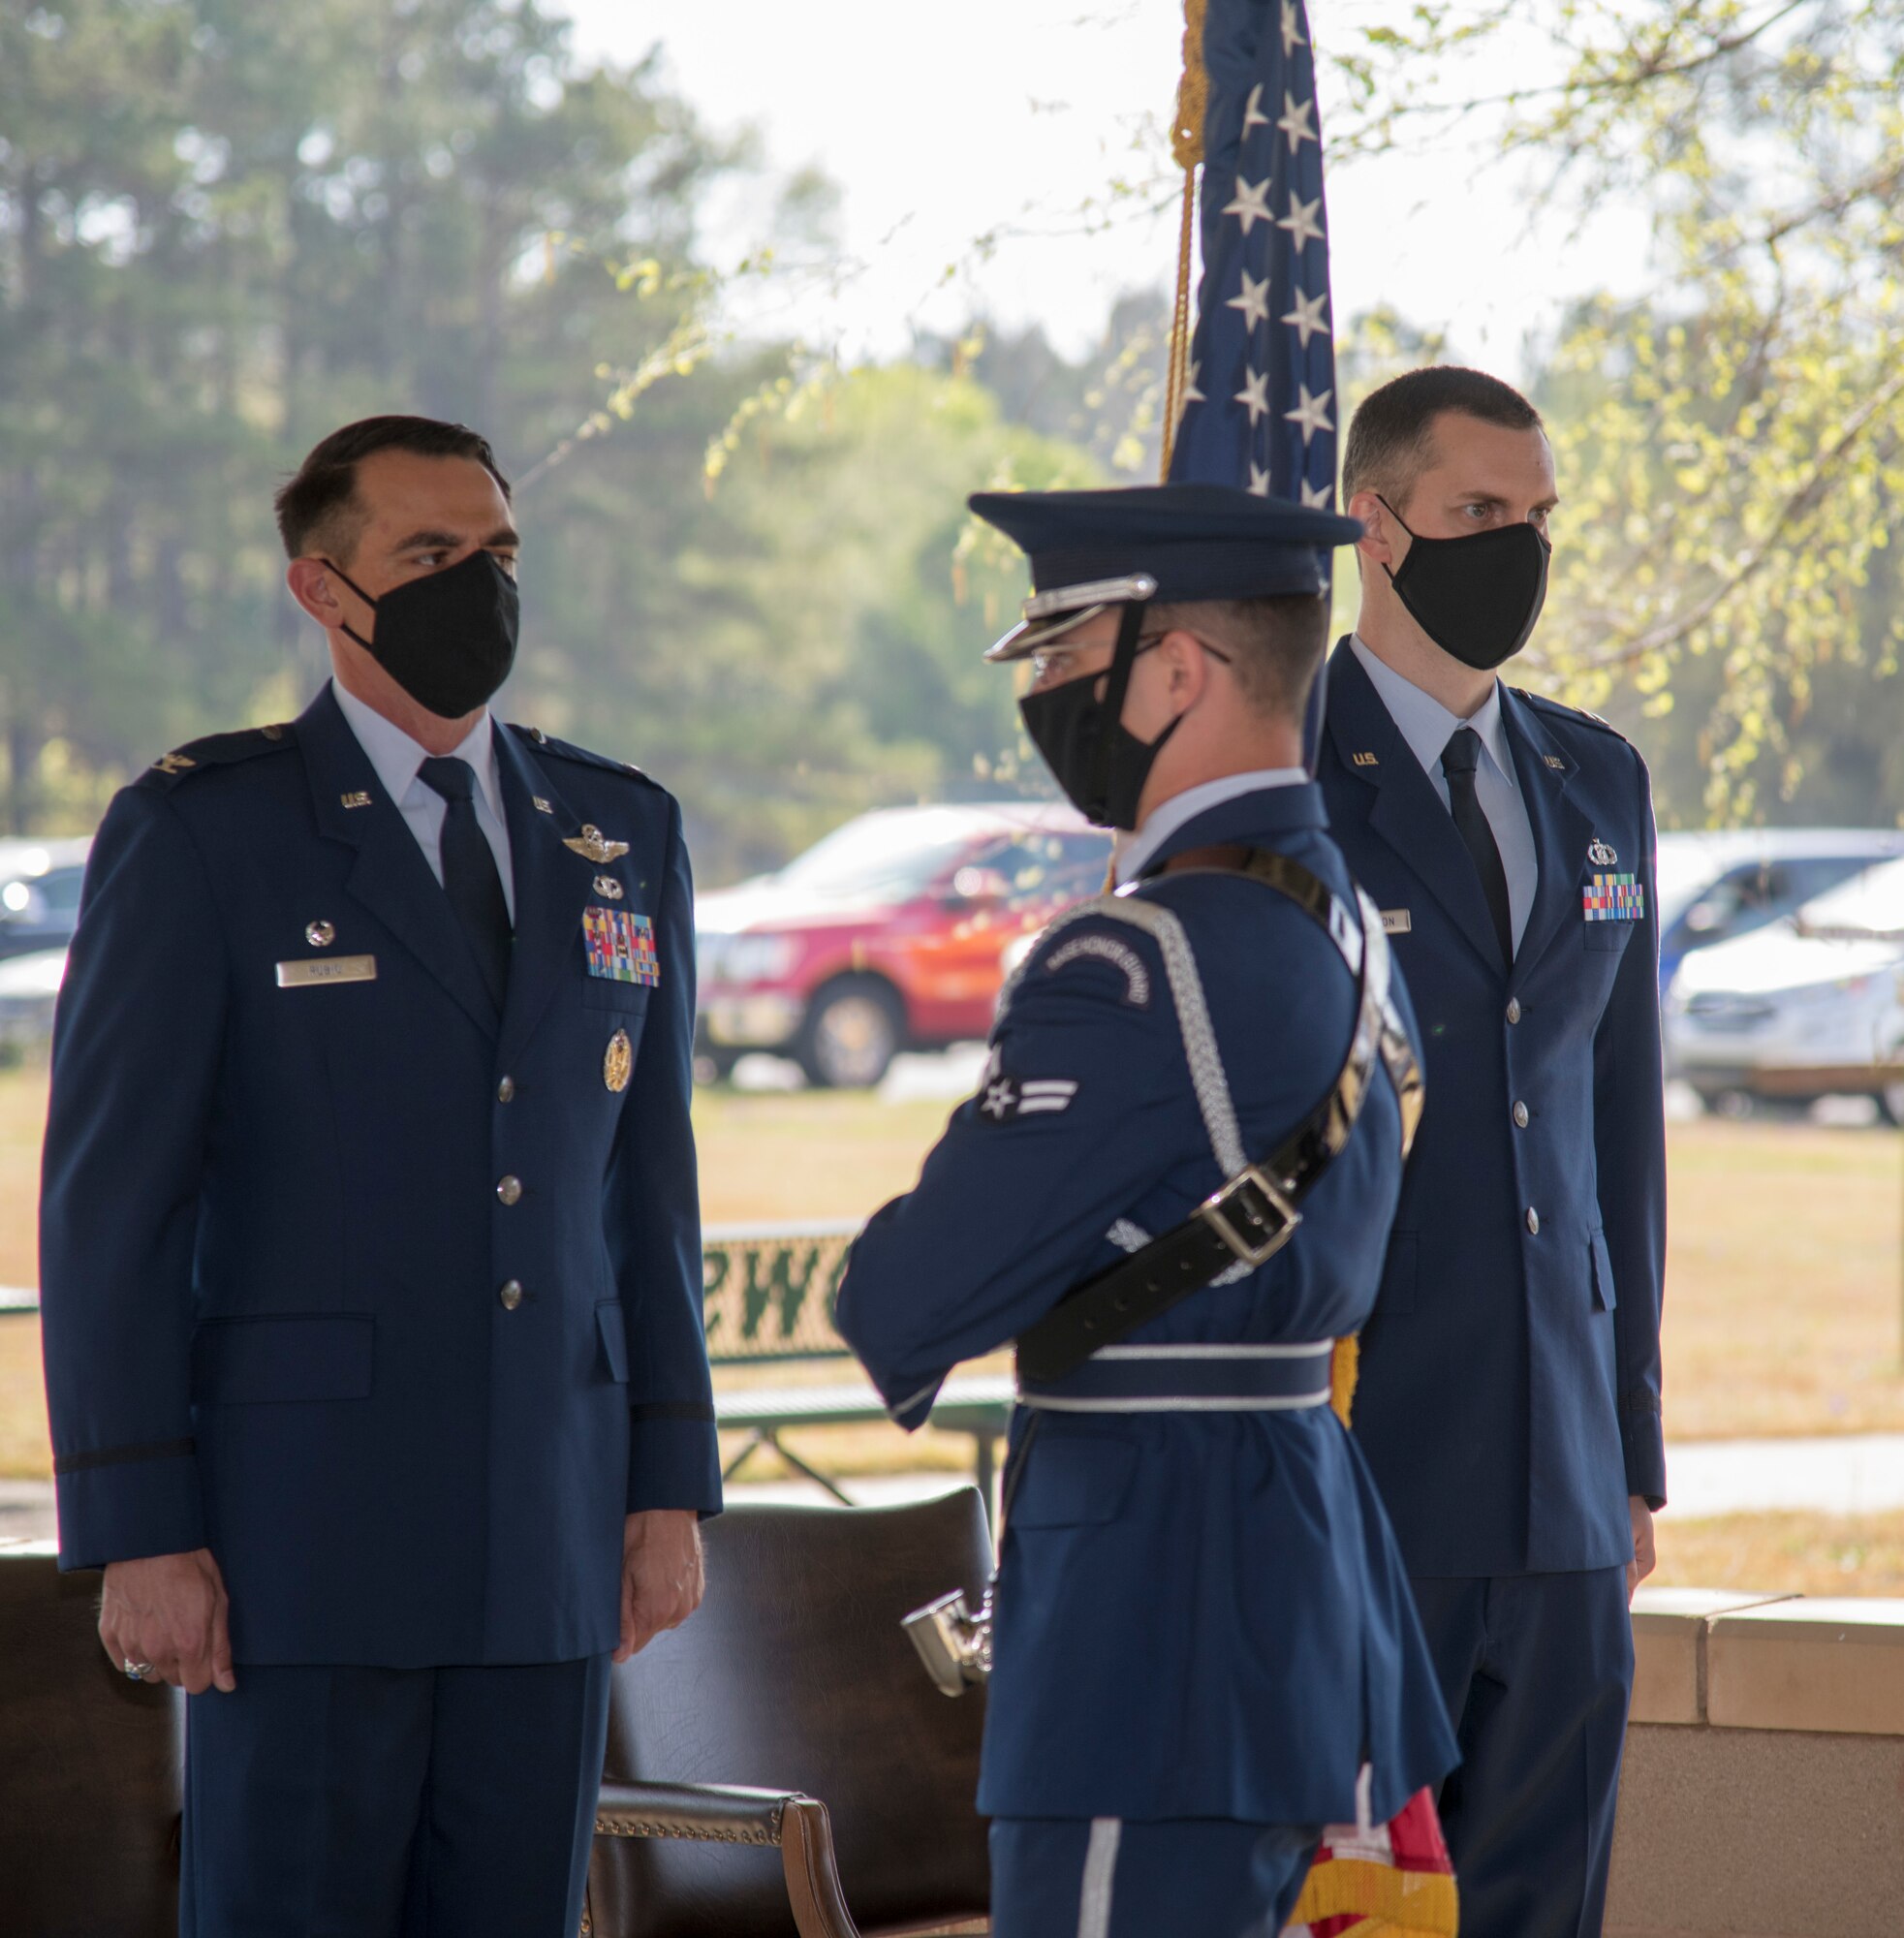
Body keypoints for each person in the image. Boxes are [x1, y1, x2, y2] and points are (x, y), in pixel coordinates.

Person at [39, 414, 721, 1937]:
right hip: (302, 1544)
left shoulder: (619, 828)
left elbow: (645, 1192)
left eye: (496, 553)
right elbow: (112, 1211)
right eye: (429, 556)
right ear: (322, 590)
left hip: (549, 1530)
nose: (476, 586)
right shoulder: (205, 830)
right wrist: (141, 1525)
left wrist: (666, 1484)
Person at [835, 483, 1458, 1938]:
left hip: (1152, 1605)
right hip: (1300, 1561)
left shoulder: (1136, 954)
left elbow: (908, 1296)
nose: (1046, 697)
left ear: (1175, 671)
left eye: (1064, 658)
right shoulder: (1345, 917)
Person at [1315, 365, 1666, 1938]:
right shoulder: (1271, 776)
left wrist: (1632, 1454)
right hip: (1360, 1461)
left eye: (1535, 518)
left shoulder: (1596, 781)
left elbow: (1616, 1136)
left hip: (1568, 1487)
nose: (1514, 550)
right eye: (1475, 515)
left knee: (1543, 1913)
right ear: (1371, 525)